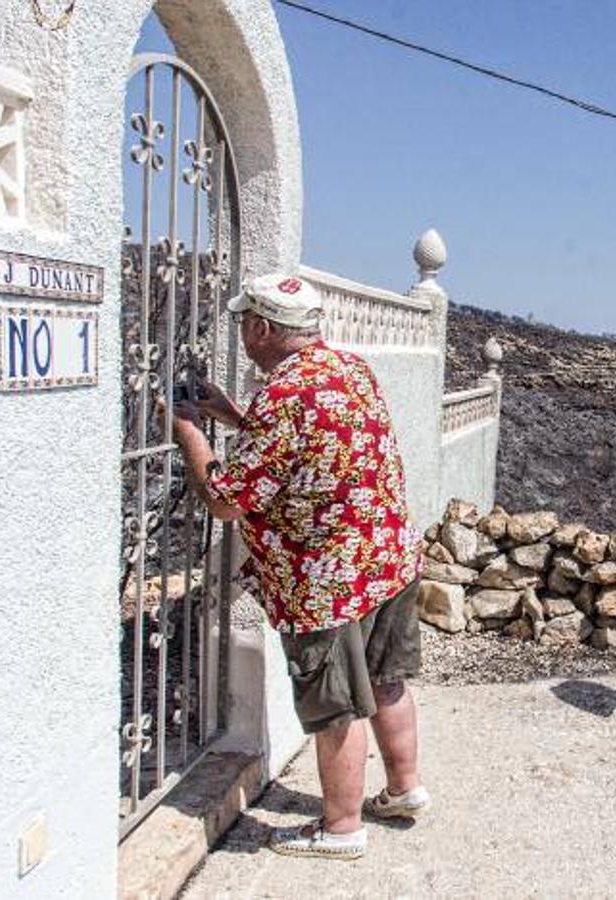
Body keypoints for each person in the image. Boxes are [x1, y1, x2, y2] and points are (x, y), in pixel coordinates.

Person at [166, 273, 430, 860]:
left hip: (324, 581)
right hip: (384, 559)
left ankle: (341, 828)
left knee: (335, 705)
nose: (242, 334)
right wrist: (232, 414)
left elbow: (226, 498)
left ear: (261, 327)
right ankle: (404, 788)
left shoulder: (284, 395)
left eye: (243, 324)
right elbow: (310, 439)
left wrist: (189, 433)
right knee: (388, 681)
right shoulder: (347, 369)